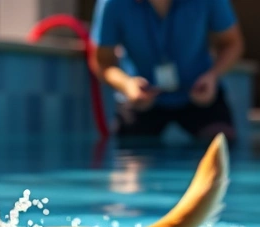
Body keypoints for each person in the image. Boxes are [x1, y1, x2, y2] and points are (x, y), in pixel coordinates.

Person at [91, 0, 245, 142]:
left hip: (199, 92)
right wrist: (127, 85)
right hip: (141, 97)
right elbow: (102, 62)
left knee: (222, 146)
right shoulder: (113, 3)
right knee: (129, 158)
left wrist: (213, 76)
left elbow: (232, 44)